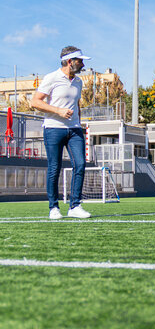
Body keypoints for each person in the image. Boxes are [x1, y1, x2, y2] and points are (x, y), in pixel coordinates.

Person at [31, 46, 92, 219]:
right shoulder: (51, 78)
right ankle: (53, 208)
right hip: (53, 129)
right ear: (70, 61)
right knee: (54, 168)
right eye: (79, 61)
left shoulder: (79, 82)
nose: (82, 64)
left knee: (80, 165)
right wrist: (58, 111)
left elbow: (77, 105)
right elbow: (35, 102)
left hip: (74, 130)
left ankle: (75, 206)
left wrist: (79, 124)